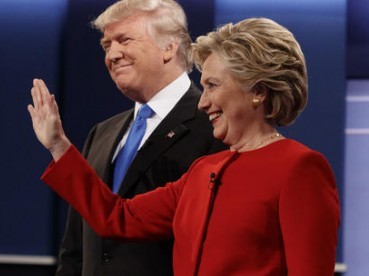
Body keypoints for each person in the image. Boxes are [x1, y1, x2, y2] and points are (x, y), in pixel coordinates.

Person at [28, 17, 340, 275]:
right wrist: (58, 146)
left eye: (213, 86)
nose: (203, 103)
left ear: (257, 91)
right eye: (202, 87)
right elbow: (116, 218)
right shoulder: (203, 171)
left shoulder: (300, 168)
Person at [40, 0, 227, 275]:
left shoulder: (214, 126)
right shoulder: (102, 133)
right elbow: (76, 247)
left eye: (124, 40)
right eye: (106, 45)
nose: (112, 55)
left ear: (169, 47)